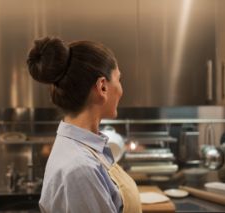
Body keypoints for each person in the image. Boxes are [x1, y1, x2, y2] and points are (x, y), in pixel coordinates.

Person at [27, 37, 141, 213]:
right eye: (119, 79)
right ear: (102, 87)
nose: (121, 89)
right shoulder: (80, 169)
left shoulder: (87, 149)